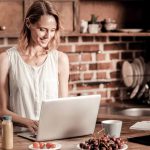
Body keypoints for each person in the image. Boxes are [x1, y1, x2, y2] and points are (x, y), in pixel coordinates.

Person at [0, 0, 69, 133]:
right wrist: (27, 122)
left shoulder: (60, 59)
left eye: (53, 30)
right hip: (18, 137)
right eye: (42, 29)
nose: (47, 36)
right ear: (28, 23)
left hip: (51, 137)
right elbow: (2, 110)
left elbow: (63, 106)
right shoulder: (5, 60)